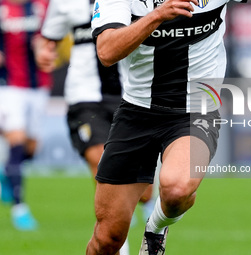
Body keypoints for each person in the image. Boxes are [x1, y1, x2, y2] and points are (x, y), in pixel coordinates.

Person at [87, 0, 251, 254]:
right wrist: (158, 15)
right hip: (137, 112)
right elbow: (106, 51)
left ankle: (156, 229)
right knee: (107, 239)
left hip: (196, 109)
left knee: (177, 188)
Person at [35, 0, 154, 253]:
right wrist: (43, 53)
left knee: (143, 192)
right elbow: (48, 40)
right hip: (83, 98)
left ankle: (142, 207)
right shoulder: (64, 3)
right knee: (100, 161)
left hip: (130, 95)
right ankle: (118, 242)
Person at [0, 0, 51, 231]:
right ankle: (19, 208)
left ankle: (6, 174)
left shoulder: (42, 5)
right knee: (17, 142)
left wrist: (49, 51)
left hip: (39, 86)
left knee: (30, 149)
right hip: (9, 86)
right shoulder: (2, 8)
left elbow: (56, 41)